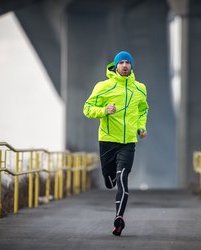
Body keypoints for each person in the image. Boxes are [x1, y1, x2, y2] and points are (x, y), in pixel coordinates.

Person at [83, 51, 149, 236]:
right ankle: (109, 178)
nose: (125, 65)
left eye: (128, 62)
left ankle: (119, 218)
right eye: (122, 63)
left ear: (131, 66)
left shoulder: (140, 88)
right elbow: (87, 109)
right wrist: (104, 110)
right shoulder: (104, 86)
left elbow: (143, 110)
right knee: (110, 181)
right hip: (107, 141)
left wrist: (141, 127)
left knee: (122, 178)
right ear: (116, 66)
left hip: (128, 142)